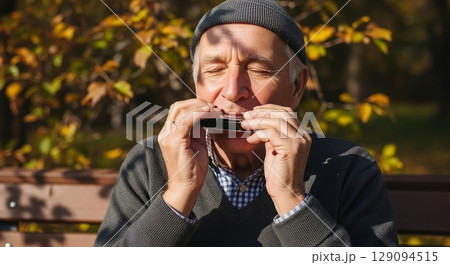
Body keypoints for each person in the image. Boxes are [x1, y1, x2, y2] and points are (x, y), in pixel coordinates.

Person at [94, 0, 398, 247]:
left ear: (296, 87)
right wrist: (177, 196)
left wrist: (292, 200)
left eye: (259, 69)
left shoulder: (349, 169)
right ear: (195, 85)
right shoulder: (149, 164)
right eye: (215, 69)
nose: (232, 90)